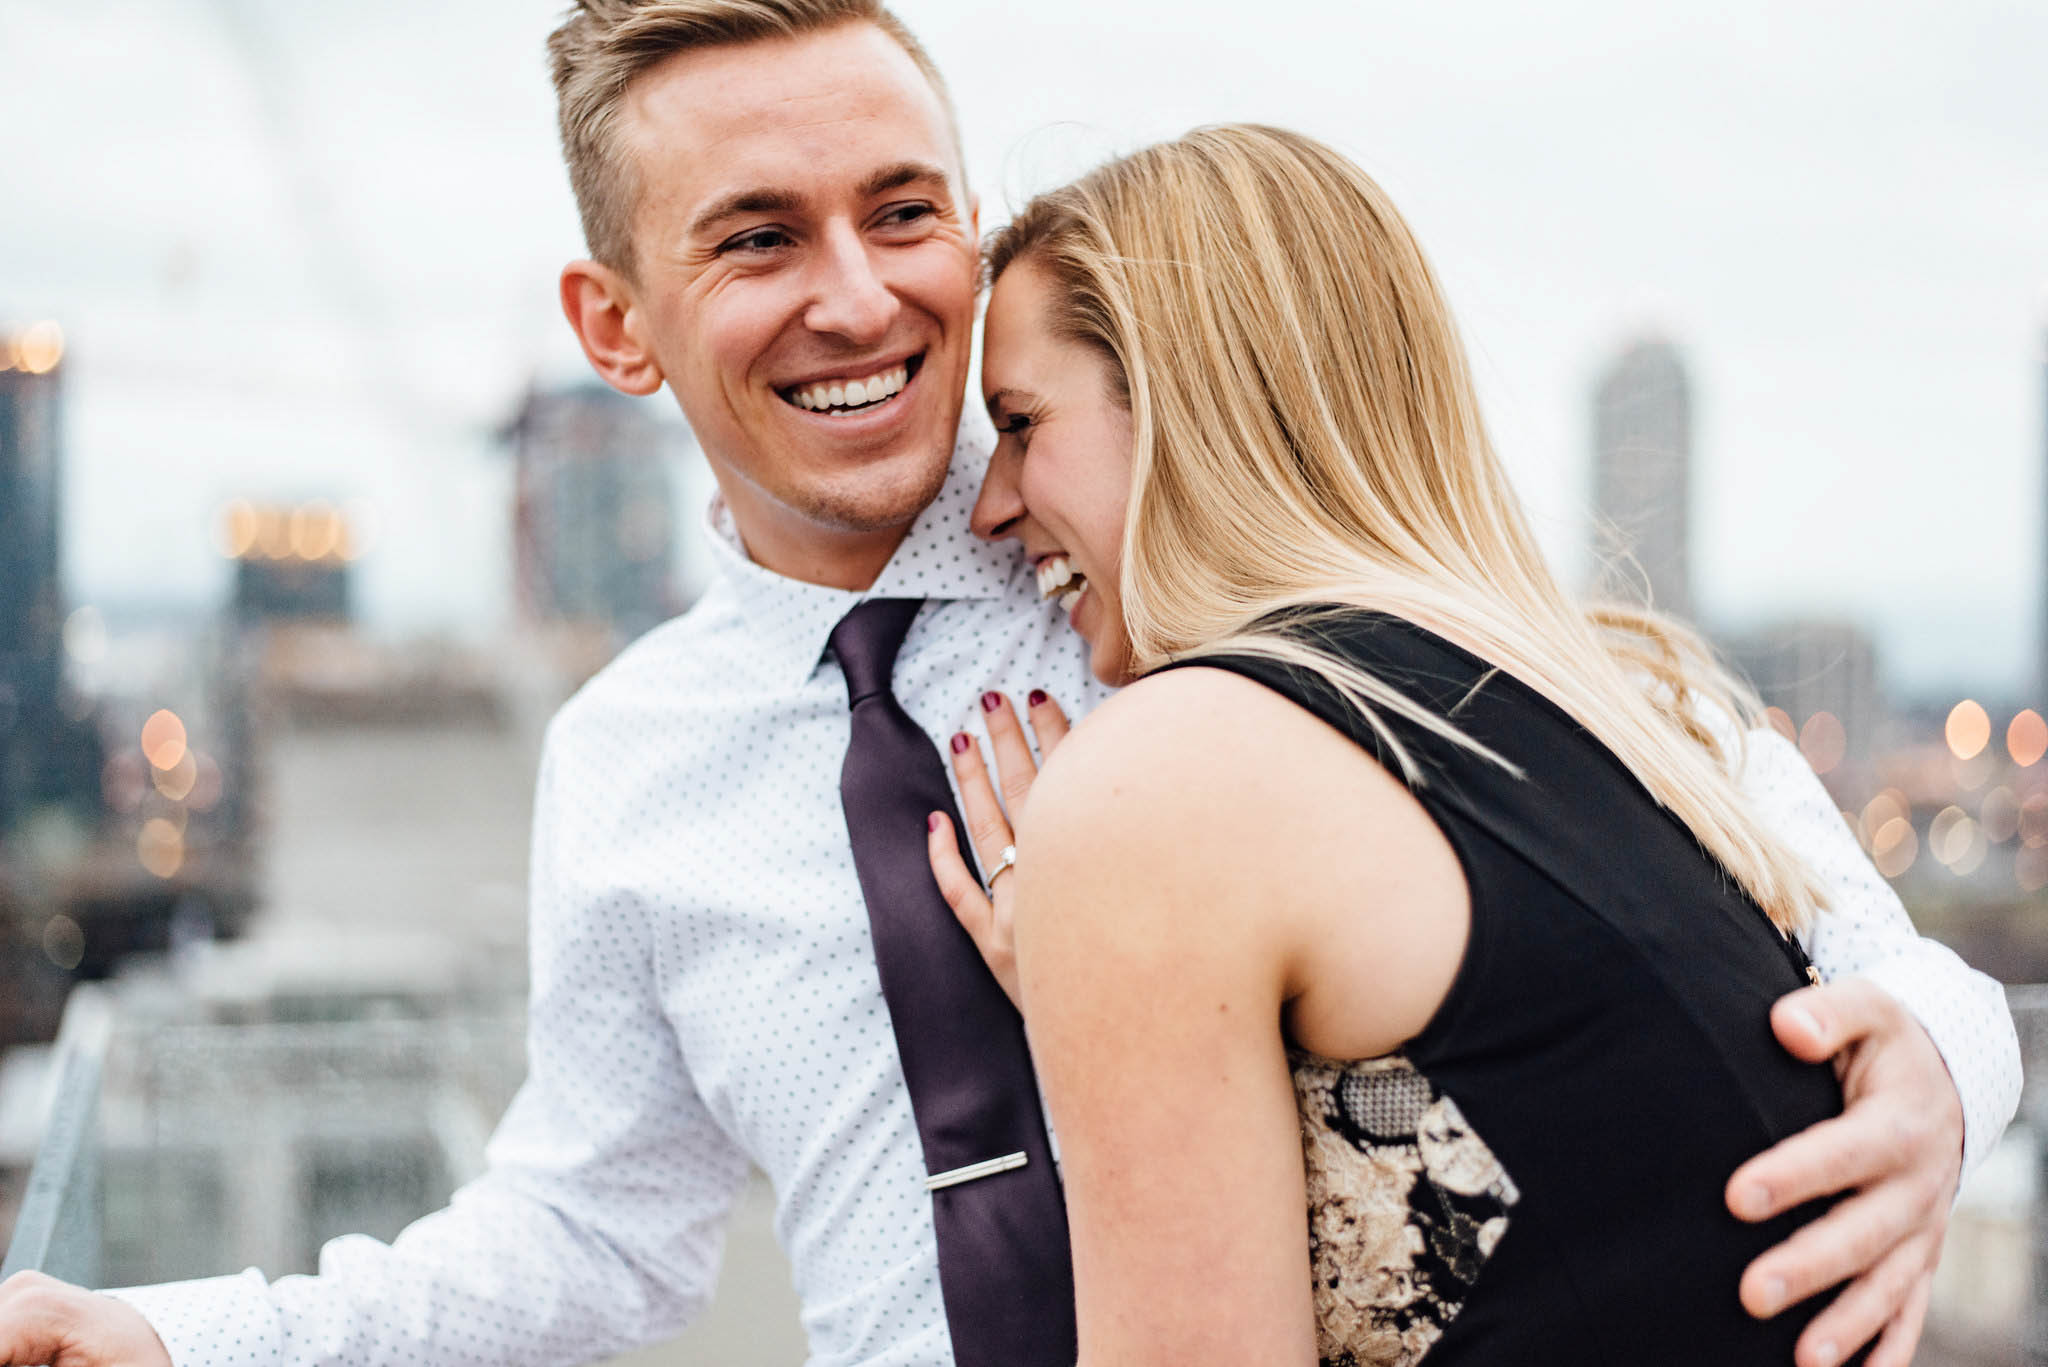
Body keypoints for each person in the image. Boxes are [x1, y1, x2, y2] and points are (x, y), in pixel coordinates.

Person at [0, 6, 2016, 1367]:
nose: (862, 296)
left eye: (903, 209)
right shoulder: (628, 772)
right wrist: (199, 1331)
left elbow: (1726, 836)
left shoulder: (1189, 555)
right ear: (612, 322)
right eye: (759, 236)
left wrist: (1934, 1055)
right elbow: (590, 1229)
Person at [923, 121, 2005, 1367]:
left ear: (1190, 405)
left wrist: (1103, 937)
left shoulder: (1160, 777)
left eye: (1017, 422)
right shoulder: (1619, 713)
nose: (991, 505)